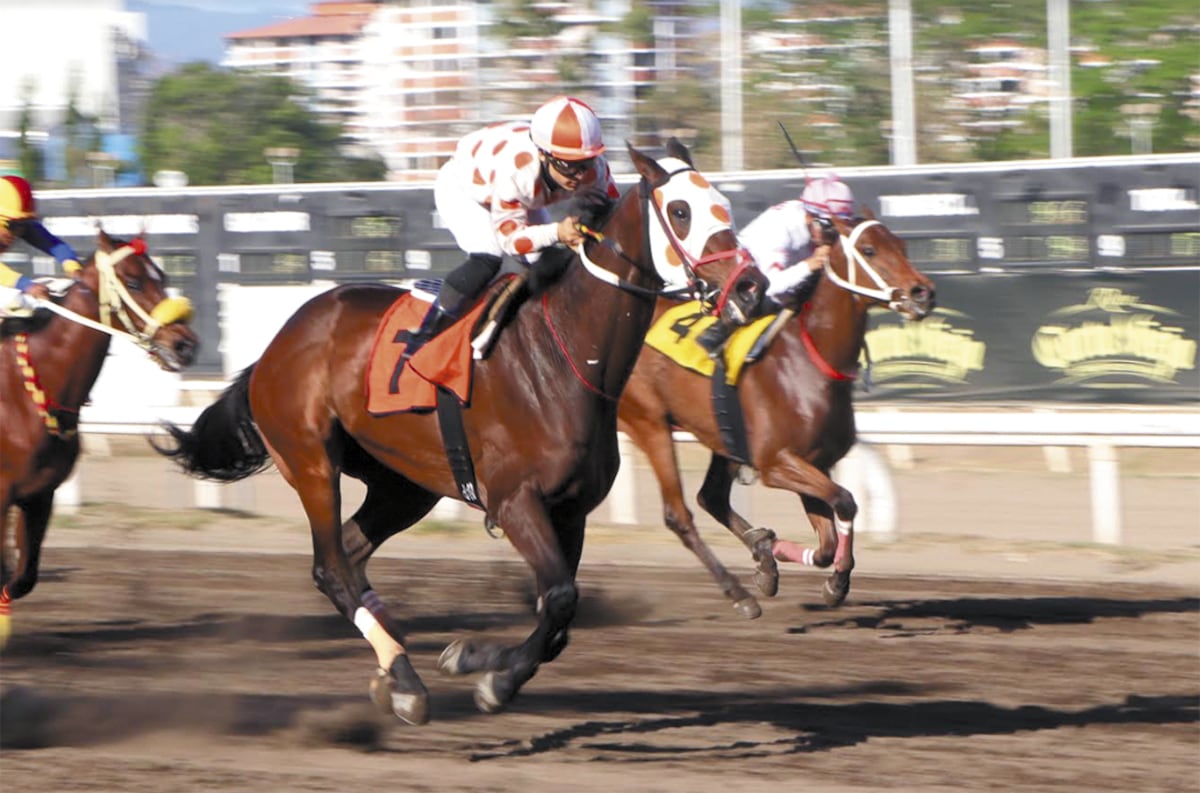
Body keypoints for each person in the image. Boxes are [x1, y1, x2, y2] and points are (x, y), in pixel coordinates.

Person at [405, 95, 621, 353]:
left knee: (548, 263)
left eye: (584, 164)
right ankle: (428, 332)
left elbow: (612, 217)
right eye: (568, 166)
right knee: (489, 257)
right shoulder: (517, 173)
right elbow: (511, 241)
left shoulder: (595, 169)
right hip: (466, 189)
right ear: (543, 154)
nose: (579, 175)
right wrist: (558, 232)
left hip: (520, 197)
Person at [694, 175, 856, 356]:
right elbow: (772, 287)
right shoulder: (781, 230)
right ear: (810, 217)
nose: (832, 238)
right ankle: (717, 338)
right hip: (750, 280)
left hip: (784, 274)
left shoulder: (813, 219)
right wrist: (809, 265)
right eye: (829, 228)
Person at [0, 175, 82, 318]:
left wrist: (73, 267)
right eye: (13, 226)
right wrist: (27, 285)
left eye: (23, 225)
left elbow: (53, 244)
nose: (18, 232)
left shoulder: (18, 221)